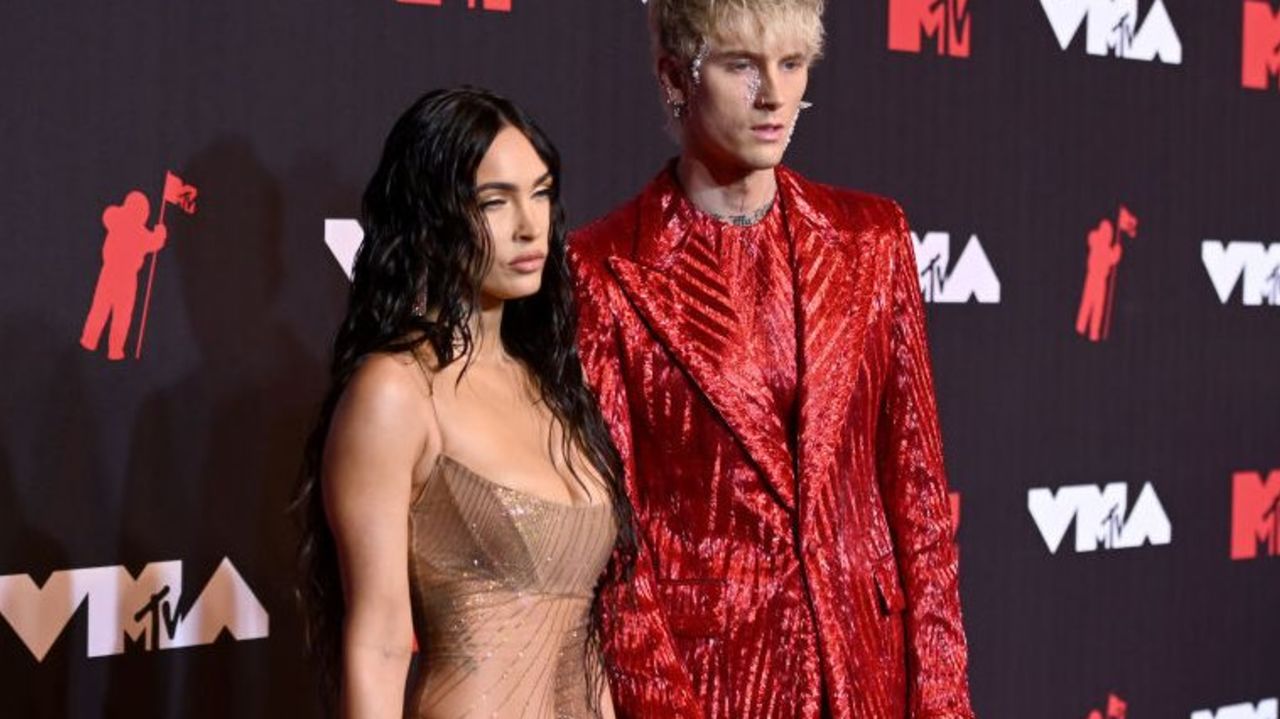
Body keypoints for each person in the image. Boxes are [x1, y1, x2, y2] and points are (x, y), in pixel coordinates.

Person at [568, 2, 974, 717]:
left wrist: (942, 700)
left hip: (869, 674)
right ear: (675, 77)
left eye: (791, 64)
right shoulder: (605, 270)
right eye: (740, 66)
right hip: (716, 684)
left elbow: (918, 495)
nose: (774, 96)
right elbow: (617, 555)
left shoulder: (873, 241)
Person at [295, 87, 632, 719]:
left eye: (541, 192)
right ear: (432, 216)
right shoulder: (395, 392)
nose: (531, 225)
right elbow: (380, 644)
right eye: (494, 202)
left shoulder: (553, 386)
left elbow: (582, 637)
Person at [79, 190, 167, 360]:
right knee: (119, 314)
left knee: (106, 310)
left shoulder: (119, 221)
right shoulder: (133, 229)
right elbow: (154, 242)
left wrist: (159, 235)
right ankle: (111, 349)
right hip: (121, 276)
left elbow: (108, 214)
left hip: (115, 274)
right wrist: (160, 232)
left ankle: (93, 342)